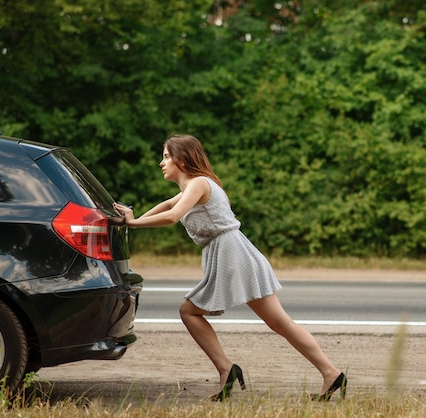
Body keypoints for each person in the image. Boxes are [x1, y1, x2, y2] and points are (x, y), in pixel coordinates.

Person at [114, 134, 346, 402]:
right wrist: (134, 218)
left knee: (190, 311)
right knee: (278, 322)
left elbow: (172, 216)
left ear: (183, 158)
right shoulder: (191, 188)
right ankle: (330, 373)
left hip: (233, 255)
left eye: (166, 156)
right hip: (234, 253)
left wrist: (132, 224)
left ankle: (228, 369)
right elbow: (168, 205)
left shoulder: (199, 184)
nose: (161, 163)